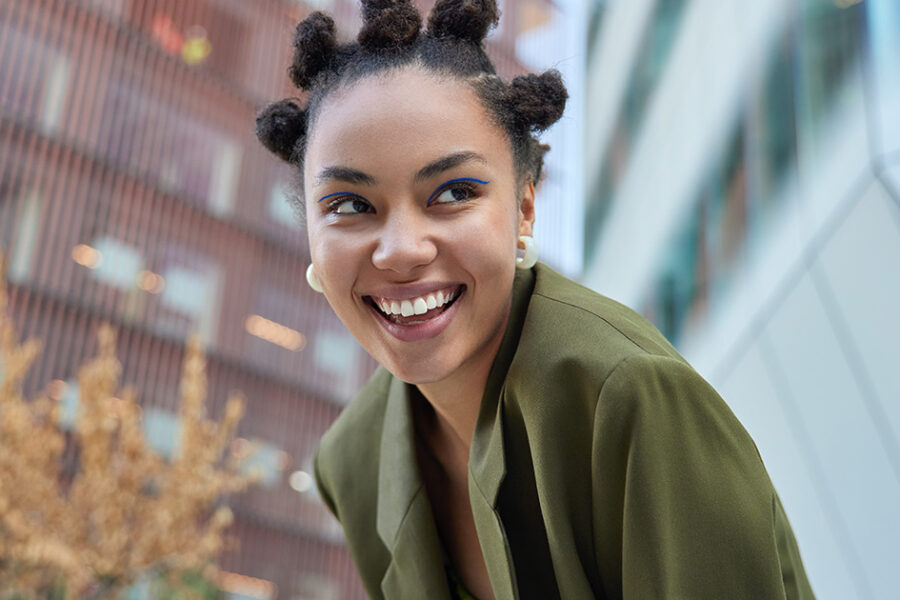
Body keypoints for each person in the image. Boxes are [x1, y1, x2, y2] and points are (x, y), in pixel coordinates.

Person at [255, 1, 814, 598]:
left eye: (453, 192)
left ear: (524, 209)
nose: (400, 251)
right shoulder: (352, 461)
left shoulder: (628, 399)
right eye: (347, 205)